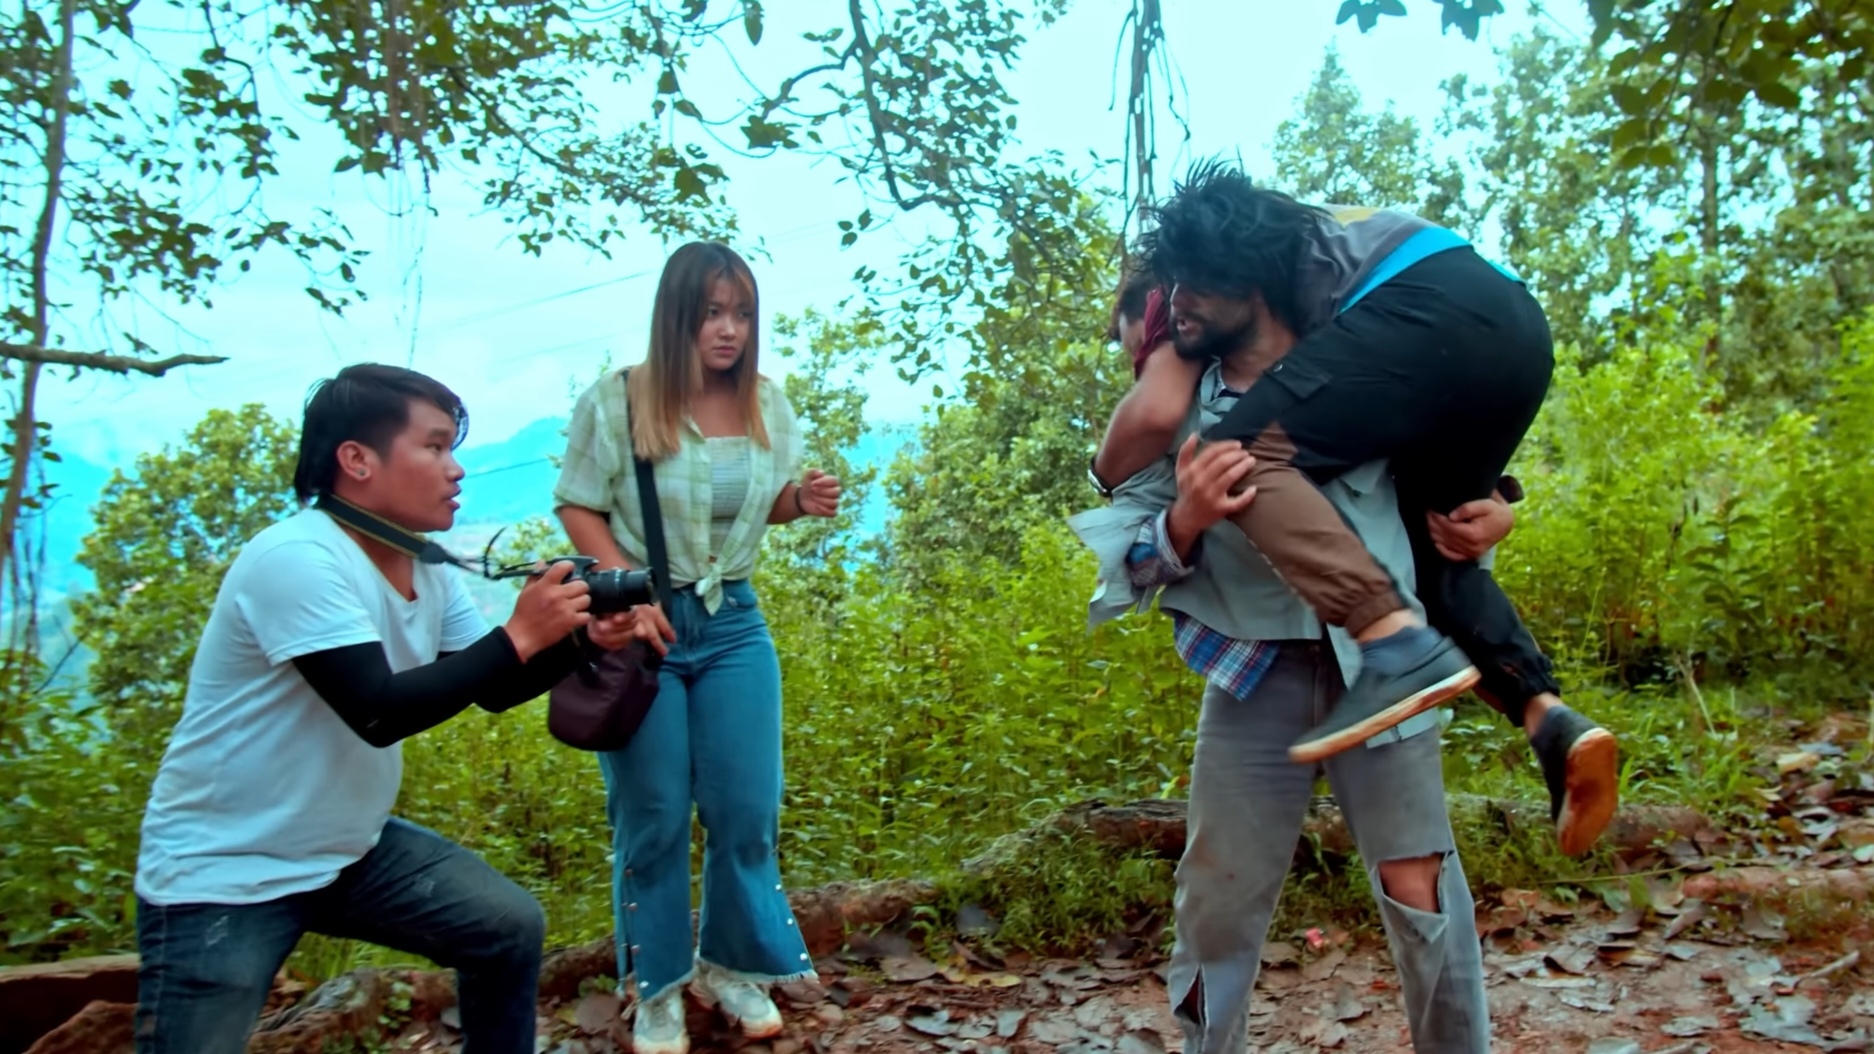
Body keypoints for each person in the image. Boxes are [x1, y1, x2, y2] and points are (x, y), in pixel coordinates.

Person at [1088, 164, 1618, 857]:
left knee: (1236, 455)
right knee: (1432, 538)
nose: (1147, 345)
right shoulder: (1332, 330)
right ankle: (1547, 717)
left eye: (1140, 332)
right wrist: (1488, 499)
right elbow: (1398, 410)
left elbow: (1158, 408)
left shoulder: (1247, 293)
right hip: (1512, 331)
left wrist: (1107, 468)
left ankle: (1396, 646)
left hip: (1437, 311)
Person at [132, 364, 645, 1054]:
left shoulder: (423, 564)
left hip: (347, 848)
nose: (456, 469)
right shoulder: (298, 558)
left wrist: (576, 640)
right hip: (225, 869)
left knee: (505, 927)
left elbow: (493, 685)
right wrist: (521, 634)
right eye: (433, 447)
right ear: (357, 461)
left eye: (452, 448)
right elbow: (377, 711)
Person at [1069, 328, 1493, 1054]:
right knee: (1216, 901)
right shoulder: (1180, 407)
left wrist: (1492, 510)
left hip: (1386, 674)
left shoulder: (1365, 364)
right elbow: (1127, 561)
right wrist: (1186, 517)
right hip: (1252, 678)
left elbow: (1449, 472)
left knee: (1421, 892)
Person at [553, 241, 842, 1054]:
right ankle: (656, 985)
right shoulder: (618, 401)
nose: (729, 330)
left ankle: (729, 964)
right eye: (712, 312)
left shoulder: (766, 403)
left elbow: (756, 504)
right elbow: (577, 504)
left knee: (746, 807)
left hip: (733, 620)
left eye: (742, 314)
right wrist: (627, 587)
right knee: (652, 813)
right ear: (676, 314)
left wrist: (799, 501)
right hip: (643, 625)